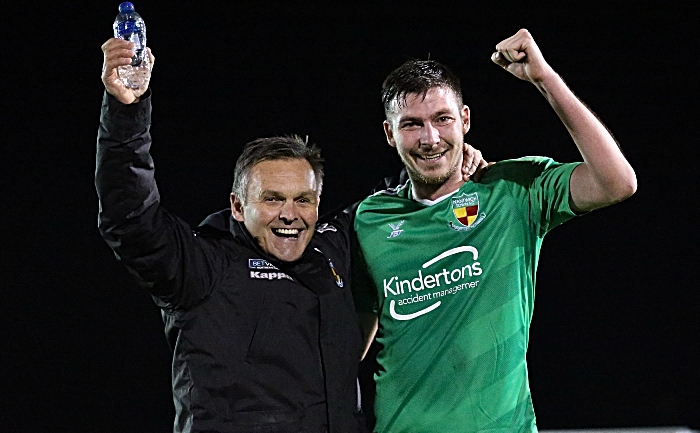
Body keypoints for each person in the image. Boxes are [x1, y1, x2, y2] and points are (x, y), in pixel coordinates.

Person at [95, 39, 484, 433]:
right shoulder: (201, 266)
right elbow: (129, 218)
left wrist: (449, 160)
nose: (290, 214)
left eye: (303, 199)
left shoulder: (333, 244)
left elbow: (396, 193)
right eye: (272, 199)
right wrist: (126, 111)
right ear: (236, 205)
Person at [353, 29, 637, 432]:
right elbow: (354, 339)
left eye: (443, 119)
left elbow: (617, 183)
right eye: (412, 124)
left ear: (465, 120)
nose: (430, 138)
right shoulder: (370, 218)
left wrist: (544, 79)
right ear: (389, 133)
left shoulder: (514, 191)